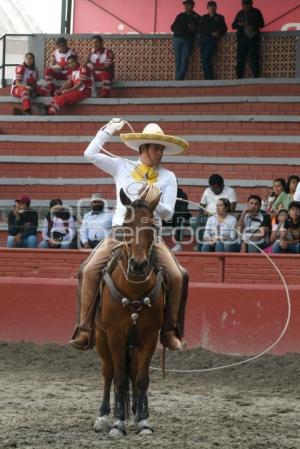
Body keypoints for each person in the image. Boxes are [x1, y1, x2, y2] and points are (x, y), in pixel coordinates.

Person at [69, 119, 189, 352]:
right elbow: (90, 153)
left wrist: (155, 202)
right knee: (88, 270)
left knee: (177, 275)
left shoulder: (168, 177)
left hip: (150, 238)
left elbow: (169, 213)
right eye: (156, 148)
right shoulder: (121, 166)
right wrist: (108, 130)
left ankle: (169, 330)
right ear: (143, 148)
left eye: (162, 149)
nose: (160, 153)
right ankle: (85, 329)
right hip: (120, 234)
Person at [195, 173, 237, 250]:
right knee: (197, 220)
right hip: (208, 217)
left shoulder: (230, 191)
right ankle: (199, 247)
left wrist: (217, 214)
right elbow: (201, 206)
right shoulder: (207, 191)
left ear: (222, 185)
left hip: (223, 217)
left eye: (216, 188)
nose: (214, 190)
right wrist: (201, 216)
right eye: (212, 188)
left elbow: (232, 209)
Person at [232, 0, 264, 79]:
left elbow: (261, 24)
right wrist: (239, 24)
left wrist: (249, 23)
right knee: (240, 58)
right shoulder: (240, 13)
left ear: (251, 4)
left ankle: (256, 76)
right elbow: (233, 25)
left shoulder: (256, 12)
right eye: (243, 4)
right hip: (242, 39)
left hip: (252, 39)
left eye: (246, 4)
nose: (244, 6)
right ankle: (239, 76)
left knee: (254, 57)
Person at [197, 1, 227, 80]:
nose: (211, 8)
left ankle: (209, 78)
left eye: (213, 7)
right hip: (202, 40)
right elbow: (200, 28)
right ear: (207, 8)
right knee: (204, 59)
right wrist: (211, 31)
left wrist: (218, 31)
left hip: (211, 40)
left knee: (206, 58)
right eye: (210, 7)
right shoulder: (204, 17)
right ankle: (207, 77)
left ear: (216, 8)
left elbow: (224, 28)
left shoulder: (220, 17)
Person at [171, 0, 200, 80]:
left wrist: (191, 29)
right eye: (185, 5)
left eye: (188, 5)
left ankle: (178, 79)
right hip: (177, 38)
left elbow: (199, 29)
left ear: (192, 6)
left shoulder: (196, 17)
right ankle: (178, 79)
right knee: (178, 60)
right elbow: (172, 27)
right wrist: (184, 29)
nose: (186, 6)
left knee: (185, 59)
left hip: (188, 40)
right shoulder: (180, 15)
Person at [170, 186, 192, 252]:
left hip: (177, 217)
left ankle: (178, 245)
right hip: (165, 217)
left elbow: (183, 210)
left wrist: (172, 215)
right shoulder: (163, 193)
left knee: (179, 219)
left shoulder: (182, 195)